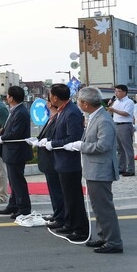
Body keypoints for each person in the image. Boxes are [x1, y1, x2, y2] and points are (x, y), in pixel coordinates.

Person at [71, 86, 123, 253]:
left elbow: (104, 146)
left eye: (79, 101)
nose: (78, 104)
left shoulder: (103, 119)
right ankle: (103, 237)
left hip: (100, 170)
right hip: (94, 169)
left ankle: (113, 242)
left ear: (85, 104)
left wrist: (82, 146)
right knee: (98, 206)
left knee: (104, 207)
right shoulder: (94, 116)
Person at [42, 83, 89, 242]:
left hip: (69, 162)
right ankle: (69, 223)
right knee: (67, 197)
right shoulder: (62, 111)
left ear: (55, 97)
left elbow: (73, 138)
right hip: (61, 161)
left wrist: (53, 144)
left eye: (50, 95)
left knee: (73, 197)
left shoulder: (71, 112)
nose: (49, 98)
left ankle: (80, 229)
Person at [0, 86, 33, 218]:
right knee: (13, 180)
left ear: (11, 98)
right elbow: (7, 128)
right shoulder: (14, 110)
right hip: (11, 151)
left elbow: (15, 133)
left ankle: (24, 207)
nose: (6, 98)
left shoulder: (21, 112)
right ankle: (13, 204)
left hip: (16, 151)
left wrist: (1, 138)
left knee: (17, 180)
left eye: (8, 96)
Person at [32, 99, 65, 229]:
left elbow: (56, 137)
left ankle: (60, 216)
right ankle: (56, 213)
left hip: (53, 159)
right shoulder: (51, 117)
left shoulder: (57, 117)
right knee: (53, 189)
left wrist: (47, 141)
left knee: (57, 190)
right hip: (47, 159)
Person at [107, 84, 134, 176]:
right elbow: (110, 112)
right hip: (116, 124)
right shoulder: (116, 102)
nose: (116, 93)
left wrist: (113, 110)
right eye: (115, 91)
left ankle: (130, 169)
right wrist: (110, 106)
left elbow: (126, 113)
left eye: (118, 91)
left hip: (125, 125)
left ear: (124, 92)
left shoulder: (129, 102)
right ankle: (121, 168)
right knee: (119, 148)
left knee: (127, 148)